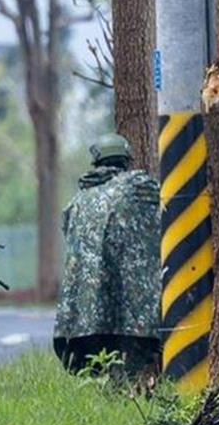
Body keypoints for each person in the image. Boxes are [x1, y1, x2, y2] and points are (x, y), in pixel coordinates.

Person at [53, 133, 162, 379]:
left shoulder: (78, 201)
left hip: (85, 310)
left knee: (98, 371)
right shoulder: (138, 186)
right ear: (126, 160)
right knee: (129, 369)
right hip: (133, 307)